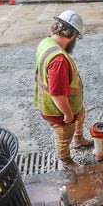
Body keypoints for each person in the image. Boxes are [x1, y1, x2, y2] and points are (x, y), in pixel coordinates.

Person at [33, 10, 93, 170]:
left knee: (81, 114)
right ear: (73, 35)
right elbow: (57, 93)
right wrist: (67, 113)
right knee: (63, 135)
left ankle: (79, 140)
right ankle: (66, 161)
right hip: (57, 110)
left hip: (65, 105)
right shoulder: (58, 59)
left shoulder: (46, 43)